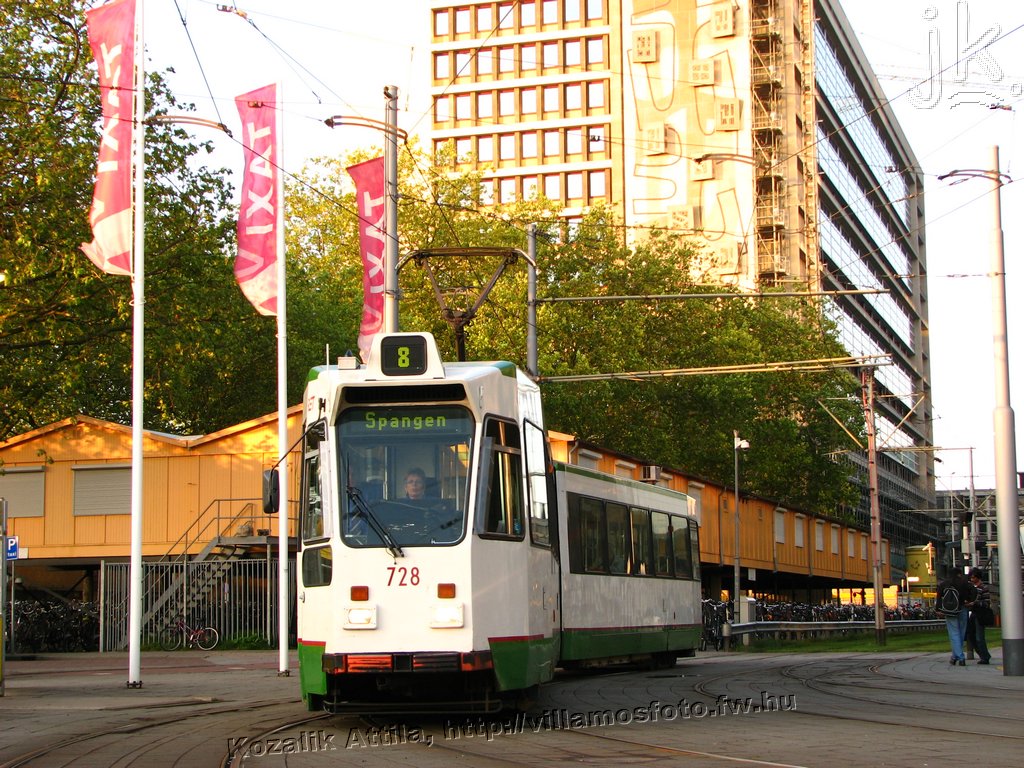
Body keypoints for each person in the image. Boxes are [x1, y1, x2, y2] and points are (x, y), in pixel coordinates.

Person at [936, 569, 977, 666]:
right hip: (962, 608)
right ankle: (956, 656)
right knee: (961, 633)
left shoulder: (944, 584)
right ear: (959, 574)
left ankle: (959, 657)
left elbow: (939, 597)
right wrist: (969, 601)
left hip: (950, 610)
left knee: (954, 633)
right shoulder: (964, 583)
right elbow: (974, 591)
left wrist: (938, 609)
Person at [965, 568, 993, 665]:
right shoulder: (971, 587)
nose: (972, 579)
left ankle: (984, 657)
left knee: (979, 637)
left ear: (978, 577)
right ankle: (983, 655)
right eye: (971, 577)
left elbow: (986, 603)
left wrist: (974, 603)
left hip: (980, 614)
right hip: (973, 613)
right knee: (970, 635)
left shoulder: (984, 588)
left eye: (973, 577)